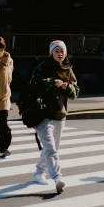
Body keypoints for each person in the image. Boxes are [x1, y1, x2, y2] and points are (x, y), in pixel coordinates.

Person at [29, 40, 79, 193]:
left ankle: (39, 172)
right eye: (57, 51)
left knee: (51, 148)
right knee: (51, 149)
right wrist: (52, 82)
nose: (60, 53)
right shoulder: (43, 67)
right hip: (42, 114)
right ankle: (58, 178)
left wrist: (67, 86)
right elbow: (33, 84)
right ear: (52, 53)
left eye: (62, 51)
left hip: (60, 114)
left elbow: (75, 92)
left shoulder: (68, 70)